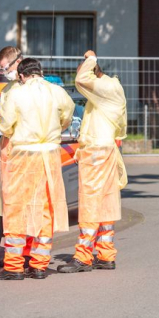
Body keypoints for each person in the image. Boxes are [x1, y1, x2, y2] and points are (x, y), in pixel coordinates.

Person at [0, 58, 75, 280]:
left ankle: (14, 265)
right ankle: (39, 264)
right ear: (41, 72)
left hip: (23, 155)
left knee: (17, 208)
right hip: (50, 155)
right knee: (44, 209)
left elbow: (6, 125)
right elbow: (68, 115)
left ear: (21, 75)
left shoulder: (15, 93)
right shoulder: (56, 91)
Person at [58, 50, 127, 273]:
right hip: (104, 150)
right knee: (106, 203)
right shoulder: (109, 91)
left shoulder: (107, 88)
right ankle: (105, 254)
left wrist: (90, 58)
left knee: (89, 203)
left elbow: (81, 79)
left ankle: (83, 257)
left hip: (96, 152)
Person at [0, 46, 30, 269]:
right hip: (10, 152)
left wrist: (2, 125)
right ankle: (15, 255)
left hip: (23, 151)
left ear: (18, 62)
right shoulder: (8, 89)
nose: (3, 72)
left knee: (25, 206)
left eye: (4, 67)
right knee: (11, 206)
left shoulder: (30, 89)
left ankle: (23, 255)